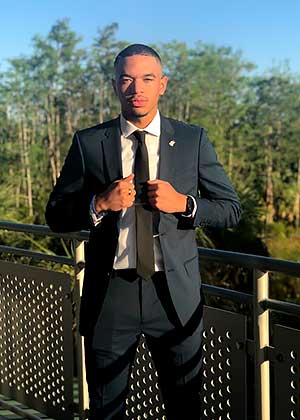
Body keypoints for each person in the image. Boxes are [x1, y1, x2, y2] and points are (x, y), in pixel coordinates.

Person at [45, 44, 241, 420]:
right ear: (115, 86)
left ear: (162, 84)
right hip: (111, 296)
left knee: (184, 408)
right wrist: (98, 204)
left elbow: (231, 209)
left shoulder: (191, 140)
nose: (137, 87)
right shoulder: (88, 143)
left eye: (147, 78)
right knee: (106, 409)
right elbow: (55, 215)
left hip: (175, 299)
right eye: (127, 79)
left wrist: (185, 204)